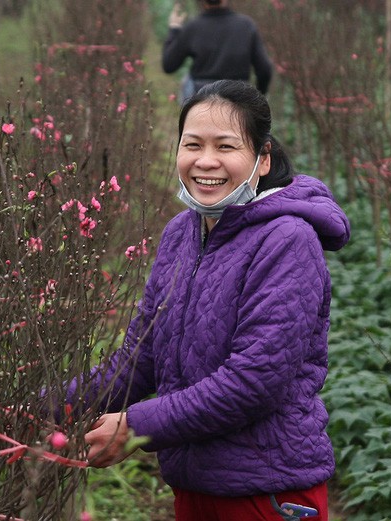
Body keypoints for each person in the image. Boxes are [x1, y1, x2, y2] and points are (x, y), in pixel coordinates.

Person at [76, 80, 350, 520]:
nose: (205, 162)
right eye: (192, 145)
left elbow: (253, 382)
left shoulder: (288, 240)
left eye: (225, 146)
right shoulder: (181, 233)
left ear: (262, 159)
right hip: (195, 485)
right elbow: (141, 357)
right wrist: (50, 404)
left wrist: (134, 428)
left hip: (268, 493)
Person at [162, 0, 274, 102]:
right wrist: (259, 96)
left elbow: (169, 65)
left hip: (201, 99)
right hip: (239, 98)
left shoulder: (193, 27)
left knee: (187, 82)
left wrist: (174, 29)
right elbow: (264, 70)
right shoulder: (246, 26)